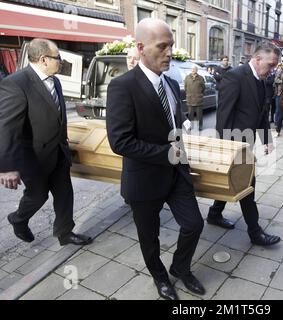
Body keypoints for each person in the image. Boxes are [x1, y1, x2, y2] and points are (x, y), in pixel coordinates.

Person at [106, 18, 205, 300]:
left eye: (171, 46)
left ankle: (180, 268)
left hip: (177, 173)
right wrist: (167, 153)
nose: (169, 52)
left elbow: (175, 116)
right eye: (162, 46)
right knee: (150, 239)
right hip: (144, 180)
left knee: (194, 225)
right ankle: (160, 278)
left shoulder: (171, 82)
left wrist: (183, 127)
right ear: (141, 47)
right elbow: (120, 141)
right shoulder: (122, 87)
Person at [0, 38, 92, 246]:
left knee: (65, 195)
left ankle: (65, 233)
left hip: (59, 152)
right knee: (37, 196)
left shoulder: (55, 80)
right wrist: (7, 167)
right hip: (34, 158)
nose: (61, 60)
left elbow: (57, 116)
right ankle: (18, 219)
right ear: (43, 59)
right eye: (58, 57)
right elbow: (7, 128)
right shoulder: (16, 83)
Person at [206, 42, 281, 247]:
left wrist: (267, 140)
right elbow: (224, 115)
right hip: (234, 145)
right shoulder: (235, 76)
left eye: (275, 65)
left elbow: (261, 114)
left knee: (230, 181)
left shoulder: (263, 80)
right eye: (270, 64)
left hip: (247, 142)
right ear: (257, 60)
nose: (272, 69)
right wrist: (226, 148)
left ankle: (214, 214)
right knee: (248, 186)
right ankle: (255, 233)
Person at [184, 66, 205, 130]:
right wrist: (189, 94)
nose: (193, 70)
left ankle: (200, 126)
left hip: (198, 99)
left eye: (195, 69)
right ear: (191, 70)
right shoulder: (187, 77)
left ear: (197, 70)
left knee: (199, 115)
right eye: (192, 69)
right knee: (190, 114)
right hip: (190, 99)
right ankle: (190, 126)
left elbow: (203, 88)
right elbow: (185, 87)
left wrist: (199, 94)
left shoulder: (201, 78)